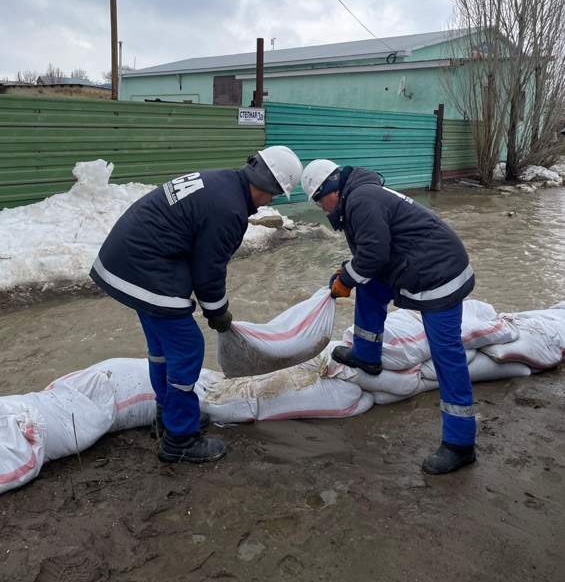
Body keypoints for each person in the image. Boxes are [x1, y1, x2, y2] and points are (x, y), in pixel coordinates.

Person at [90, 146, 303, 464]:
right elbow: (209, 271)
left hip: (124, 261)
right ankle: (180, 439)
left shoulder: (222, 182)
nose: (271, 201)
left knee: (163, 347)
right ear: (268, 185)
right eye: (275, 194)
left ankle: (168, 414)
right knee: (187, 347)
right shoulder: (229, 209)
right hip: (146, 267)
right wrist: (218, 312)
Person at [301, 160, 476, 475]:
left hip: (440, 275)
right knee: (369, 288)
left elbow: (373, 256)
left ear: (331, 190)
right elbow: (374, 250)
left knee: (446, 355)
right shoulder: (360, 195)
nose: (322, 210)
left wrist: (346, 279)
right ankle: (367, 355)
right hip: (418, 264)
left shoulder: (361, 200)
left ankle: (460, 444)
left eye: (319, 201)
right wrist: (349, 272)